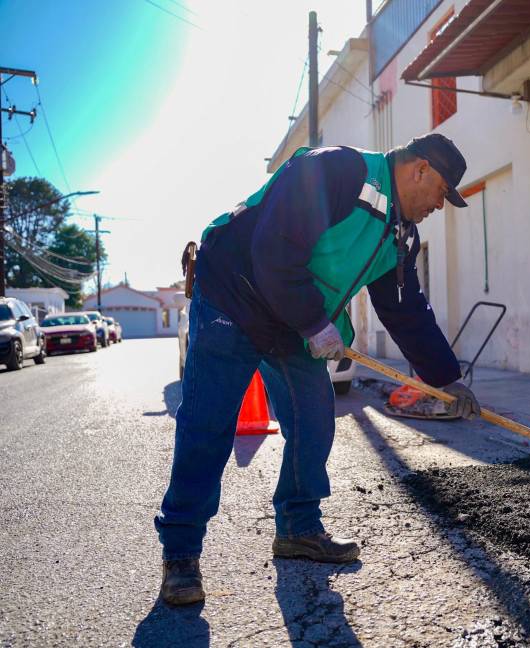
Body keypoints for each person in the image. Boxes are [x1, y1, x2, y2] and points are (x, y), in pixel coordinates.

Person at [155, 133, 481, 606]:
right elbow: (275, 248)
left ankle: (298, 528)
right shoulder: (337, 170)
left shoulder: (399, 234)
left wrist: (444, 378)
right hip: (235, 294)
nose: (440, 204)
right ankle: (181, 554)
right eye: (441, 193)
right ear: (420, 170)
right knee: (208, 424)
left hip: (292, 317)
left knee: (313, 419)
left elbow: (405, 308)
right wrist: (314, 322)